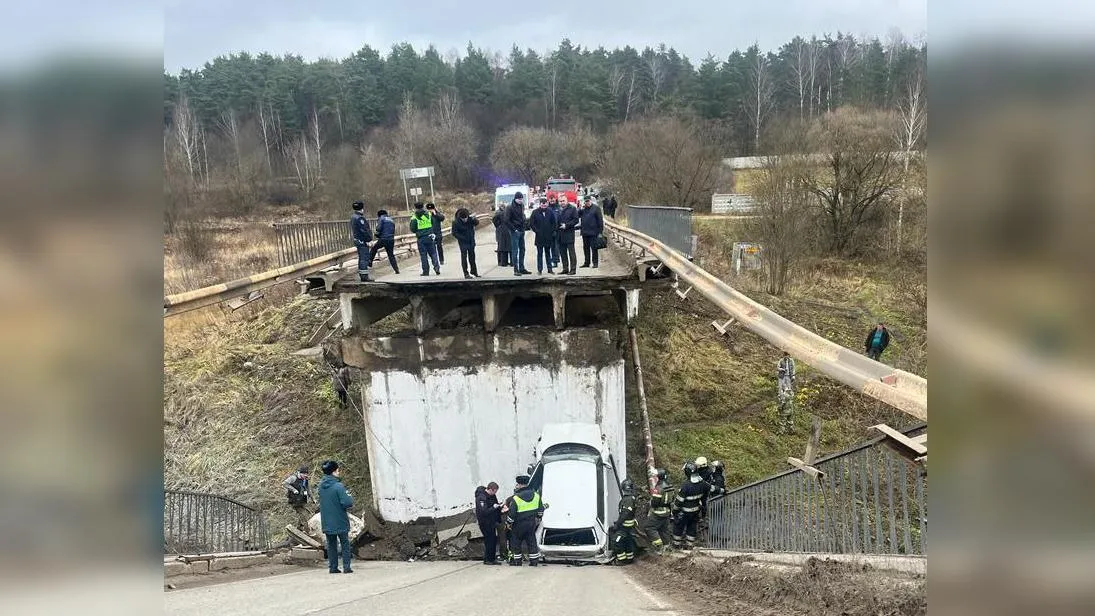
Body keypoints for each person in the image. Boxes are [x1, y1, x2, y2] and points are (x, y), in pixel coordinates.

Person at [318, 460, 354, 574]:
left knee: (331, 544)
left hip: (326, 520)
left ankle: (333, 567)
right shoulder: (338, 486)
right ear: (333, 472)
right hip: (340, 519)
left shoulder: (320, 486)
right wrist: (349, 496)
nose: (339, 472)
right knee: (344, 543)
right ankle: (346, 567)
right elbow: (347, 502)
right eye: (338, 470)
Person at [503, 474, 545, 566]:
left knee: (516, 542)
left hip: (518, 525)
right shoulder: (536, 495)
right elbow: (541, 509)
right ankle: (534, 561)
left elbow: (512, 514)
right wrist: (538, 518)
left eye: (517, 484)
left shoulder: (516, 498)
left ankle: (517, 561)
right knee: (531, 542)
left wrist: (508, 523)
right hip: (531, 523)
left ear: (520, 485)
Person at [672, 462, 709, 551]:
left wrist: (674, 512)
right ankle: (689, 546)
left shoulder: (686, 486)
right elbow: (712, 488)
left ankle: (676, 547)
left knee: (678, 528)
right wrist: (723, 490)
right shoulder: (703, 483)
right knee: (692, 528)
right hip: (695, 512)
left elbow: (678, 502)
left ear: (687, 472)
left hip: (684, 512)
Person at [642, 469, 675, 553]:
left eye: (655, 476)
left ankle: (659, 546)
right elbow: (672, 498)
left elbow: (655, 503)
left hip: (658, 512)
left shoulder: (658, 488)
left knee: (649, 527)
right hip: (667, 511)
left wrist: (651, 503)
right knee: (663, 530)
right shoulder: (670, 486)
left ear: (658, 477)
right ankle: (667, 548)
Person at [474, 482, 503, 565]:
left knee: (493, 540)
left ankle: (492, 558)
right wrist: (493, 507)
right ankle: (488, 559)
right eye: (494, 491)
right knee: (489, 540)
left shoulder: (492, 496)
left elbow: (494, 504)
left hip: (492, 522)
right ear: (490, 489)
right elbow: (483, 511)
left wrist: (499, 507)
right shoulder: (481, 497)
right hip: (485, 522)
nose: (495, 493)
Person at [410, 202, 441, 276]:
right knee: (433, 253)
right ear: (423, 206)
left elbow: (413, 229)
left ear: (415, 208)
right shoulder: (429, 214)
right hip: (430, 236)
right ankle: (437, 268)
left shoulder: (414, 217)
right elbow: (433, 223)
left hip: (421, 238)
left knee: (423, 255)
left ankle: (426, 271)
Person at [529, 198, 558, 275]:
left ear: (547, 204)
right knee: (540, 254)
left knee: (548, 253)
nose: (544, 204)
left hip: (548, 236)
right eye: (542, 203)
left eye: (545, 203)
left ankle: (550, 269)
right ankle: (540, 270)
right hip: (539, 237)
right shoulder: (535, 212)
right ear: (540, 204)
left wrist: (552, 231)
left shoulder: (550, 212)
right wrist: (537, 231)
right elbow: (531, 223)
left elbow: (554, 223)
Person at [613, 478, 638, 565]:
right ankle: (629, 558)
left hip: (624, 527)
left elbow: (625, 514)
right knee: (627, 541)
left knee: (616, 541)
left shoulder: (627, 500)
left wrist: (617, 524)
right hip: (628, 527)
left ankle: (622, 560)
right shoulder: (631, 498)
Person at [505, 193, 532, 276]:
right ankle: (516, 269)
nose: (521, 200)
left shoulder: (522, 206)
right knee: (515, 250)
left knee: (522, 249)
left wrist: (524, 226)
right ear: (515, 199)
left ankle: (522, 268)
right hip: (515, 231)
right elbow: (506, 220)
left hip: (521, 230)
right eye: (519, 199)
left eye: (521, 199)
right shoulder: (509, 207)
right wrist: (514, 229)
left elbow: (522, 216)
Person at [451, 208, 480, 279]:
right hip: (463, 242)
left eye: (466, 218)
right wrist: (462, 238)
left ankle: (474, 271)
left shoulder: (470, 219)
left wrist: (474, 219)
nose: (465, 220)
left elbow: (476, 223)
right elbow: (454, 233)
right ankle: (466, 273)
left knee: (472, 257)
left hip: (471, 241)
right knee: (464, 258)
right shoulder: (455, 222)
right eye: (463, 219)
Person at [368, 209, 400, 274]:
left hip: (383, 239)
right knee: (391, 255)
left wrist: (376, 234)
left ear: (379, 215)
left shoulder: (381, 219)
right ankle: (396, 269)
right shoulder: (391, 220)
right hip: (391, 239)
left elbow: (378, 229)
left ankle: (370, 262)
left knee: (374, 248)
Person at [350, 201, 373, 282]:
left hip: (357, 240)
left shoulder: (353, 217)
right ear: (361, 208)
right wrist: (369, 239)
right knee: (364, 258)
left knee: (362, 258)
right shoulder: (360, 218)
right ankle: (364, 277)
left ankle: (363, 275)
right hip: (362, 241)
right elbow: (364, 230)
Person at [579, 195, 604, 269]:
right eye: (586, 201)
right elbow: (577, 215)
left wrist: (600, 232)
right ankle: (587, 262)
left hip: (594, 232)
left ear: (590, 200)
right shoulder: (583, 209)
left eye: (588, 201)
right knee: (586, 248)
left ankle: (595, 263)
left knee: (594, 248)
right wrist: (580, 208)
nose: (587, 202)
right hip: (585, 232)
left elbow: (600, 221)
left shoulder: (596, 208)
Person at [283, 465, 312, 530]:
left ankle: (299, 528)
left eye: (306, 473)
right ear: (300, 473)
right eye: (304, 473)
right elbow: (284, 483)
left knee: (305, 513)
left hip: (302, 500)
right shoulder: (293, 478)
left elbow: (308, 489)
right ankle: (307, 531)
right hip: (295, 500)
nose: (305, 475)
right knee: (304, 514)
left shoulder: (305, 479)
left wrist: (313, 498)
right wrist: (293, 490)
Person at [556, 197, 579, 275]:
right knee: (563, 253)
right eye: (560, 201)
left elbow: (576, 220)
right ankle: (565, 268)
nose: (562, 202)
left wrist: (567, 225)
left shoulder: (572, 209)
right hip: (560, 234)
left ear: (567, 201)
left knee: (571, 253)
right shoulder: (558, 209)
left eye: (563, 201)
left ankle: (573, 269)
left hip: (569, 234)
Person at [777, 351, 796, 433]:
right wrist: (782, 369)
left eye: (787, 355)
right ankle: (791, 430)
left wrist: (779, 409)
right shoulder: (781, 360)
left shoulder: (791, 361)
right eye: (785, 355)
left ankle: (781, 431)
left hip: (789, 376)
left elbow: (793, 368)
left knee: (783, 421)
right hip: (782, 375)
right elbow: (778, 367)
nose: (786, 357)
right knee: (790, 421)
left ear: (789, 355)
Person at [548, 196, 563, 269]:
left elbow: (561, 218)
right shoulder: (547, 208)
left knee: (556, 246)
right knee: (552, 247)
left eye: (553, 199)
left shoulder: (559, 208)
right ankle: (553, 260)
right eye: (550, 199)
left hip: (558, 230)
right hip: (549, 231)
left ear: (555, 199)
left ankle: (556, 260)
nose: (552, 200)